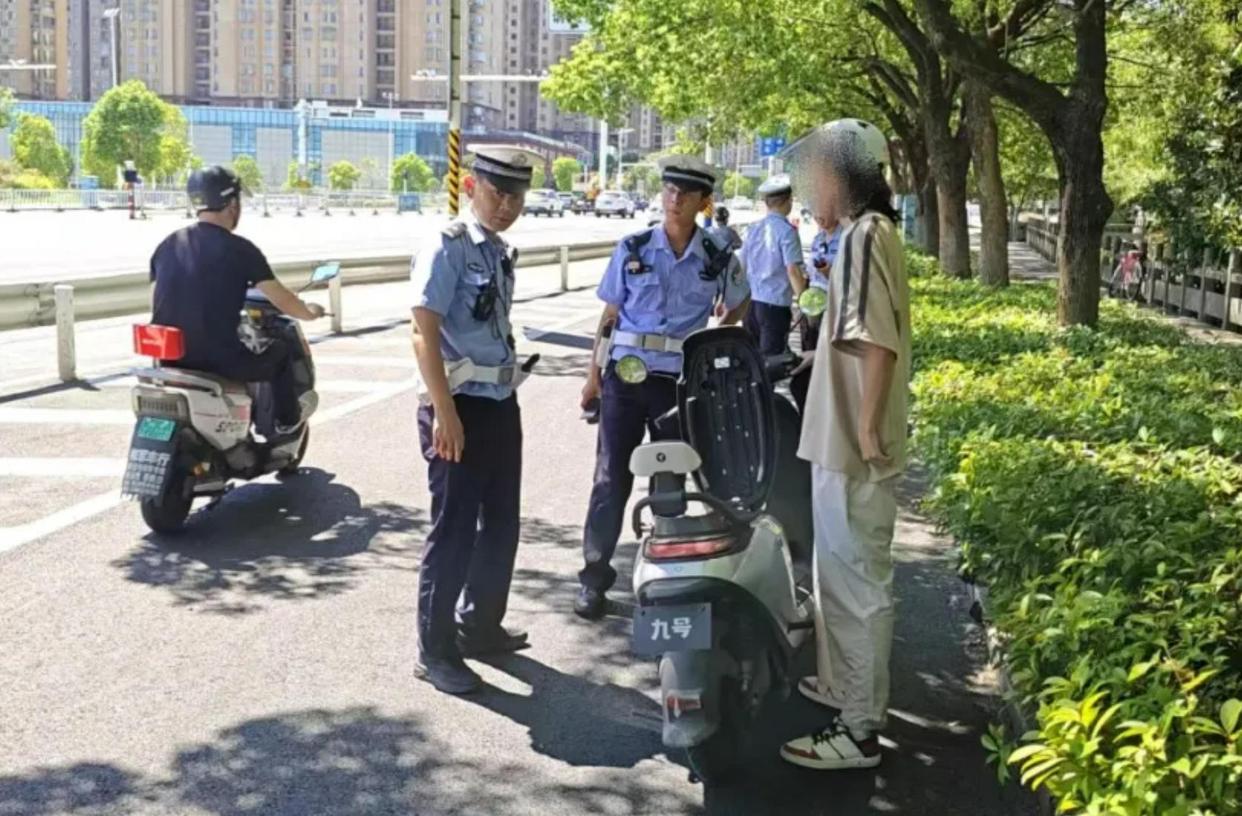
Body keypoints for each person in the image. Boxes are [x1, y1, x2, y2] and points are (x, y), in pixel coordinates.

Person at [778, 119, 911, 771]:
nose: (809, 191)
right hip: (843, 440)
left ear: (845, 176)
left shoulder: (862, 237)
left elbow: (875, 341)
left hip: (852, 446)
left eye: (817, 176)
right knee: (841, 575)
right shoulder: (874, 233)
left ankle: (859, 729)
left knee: (856, 583)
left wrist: (863, 431)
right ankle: (841, 687)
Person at [575, 155, 751, 620]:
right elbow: (610, 317)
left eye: (685, 194)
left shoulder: (717, 257)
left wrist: (714, 338)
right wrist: (593, 374)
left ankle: (663, 579)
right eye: (669, 191)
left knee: (668, 480)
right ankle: (593, 579)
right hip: (625, 378)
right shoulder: (632, 247)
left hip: (678, 383)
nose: (674, 200)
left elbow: (739, 302)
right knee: (611, 477)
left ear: (702, 202)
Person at [409, 146, 541, 695]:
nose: (507, 204)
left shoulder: (496, 252)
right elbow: (423, 333)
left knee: (502, 524)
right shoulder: (448, 247)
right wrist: (444, 414)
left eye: (516, 195)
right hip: (456, 407)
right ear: (470, 187)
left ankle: (479, 626)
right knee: (455, 532)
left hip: (497, 403)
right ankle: (434, 652)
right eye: (497, 191)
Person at [149, 165, 324, 437]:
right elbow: (281, 298)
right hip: (220, 361)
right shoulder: (241, 250)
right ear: (232, 204)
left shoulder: (167, 245)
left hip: (169, 362)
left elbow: (160, 299)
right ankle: (287, 420)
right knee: (279, 351)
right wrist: (310, 312)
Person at [740, 174, 807, 355]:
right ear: (788, 201)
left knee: (752, 362)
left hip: (750, 305)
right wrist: (804, 302)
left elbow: (741, 267)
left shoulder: (752, 229)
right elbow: (793, 270)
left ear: (767, 202)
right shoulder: (787, 232)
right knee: (771, 364)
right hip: (774, 306)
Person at [790, 213, 843, 413]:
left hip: (834, 307)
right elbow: (809, 276)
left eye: (824, 211)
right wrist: (802, 307)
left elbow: (849, 279)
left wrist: (831, 273)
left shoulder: (847, 238)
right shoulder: (818, 239)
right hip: (813, 306)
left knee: (825, 360)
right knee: (809, 357)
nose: (819, 217)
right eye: (816, 213)